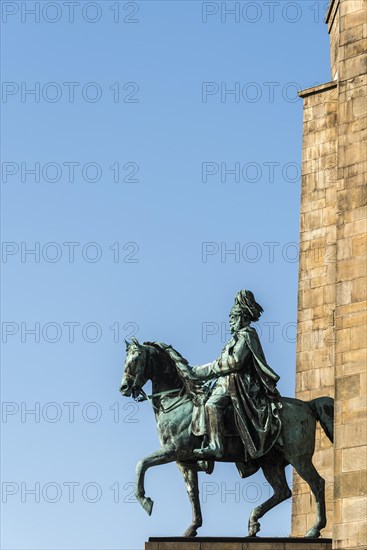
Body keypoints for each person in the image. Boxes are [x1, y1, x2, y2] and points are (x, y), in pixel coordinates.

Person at [192, 290, 282, 459]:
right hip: (227, 382)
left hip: (241, 384)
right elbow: (221, 363)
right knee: (200, 398)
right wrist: (197, 372)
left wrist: (202, 371)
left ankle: (216, 446)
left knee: (212, 405)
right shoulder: (236, 338)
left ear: (243, 318)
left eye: (233, 318)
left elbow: (234, 362)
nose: (230, 322)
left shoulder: (247, 335)